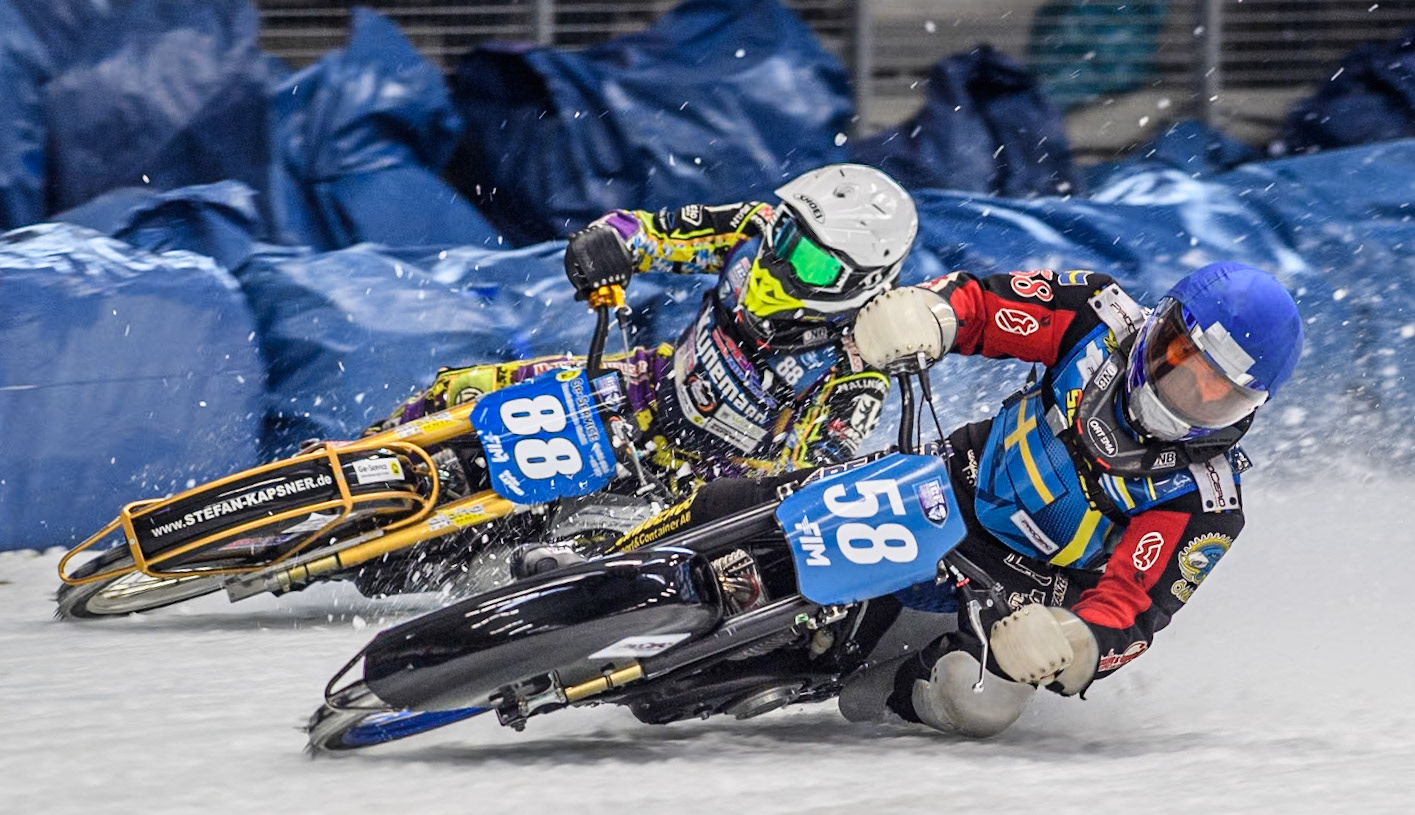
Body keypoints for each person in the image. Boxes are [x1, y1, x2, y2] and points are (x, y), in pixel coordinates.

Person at [615, 261, 1304, 737]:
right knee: (736, 501)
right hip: (943, 478)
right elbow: (984, 306)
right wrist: (931, 314)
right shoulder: (1095, 313)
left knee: (980, 701)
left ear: (1250, 408)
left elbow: (1134, 607)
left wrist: (1074, 641)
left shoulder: (1206, 499)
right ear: (1158, 327)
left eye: (1219, 395)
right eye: (1181, 365)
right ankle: (607, 550)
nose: (1186, 397)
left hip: (1009, 592)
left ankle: (883, 688)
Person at [372, 164, 918, 485]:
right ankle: (363, 456)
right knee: (461, 389)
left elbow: (808, 483)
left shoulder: (859, 363)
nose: (778, 260)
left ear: (859, 281)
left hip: (695, 483)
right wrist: (605, 245)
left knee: (570, 541)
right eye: (786, 236)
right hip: (639, 390)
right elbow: (646, 231)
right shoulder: (754, 227)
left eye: (810, 262)